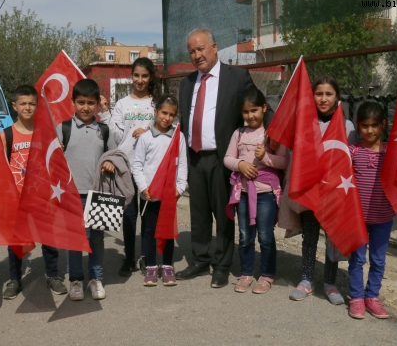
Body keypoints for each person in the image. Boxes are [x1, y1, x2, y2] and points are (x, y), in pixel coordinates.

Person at [176, 28, 274, 288]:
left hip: (223, 157)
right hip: (194, 157)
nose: (197, 55)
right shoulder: (186, 84)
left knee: (223, 212)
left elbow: (262, 106)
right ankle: (200, 259)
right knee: (198, 213)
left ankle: (221, 264)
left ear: (214, 47)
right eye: (192, 51)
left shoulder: (237, 77)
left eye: (201, 49)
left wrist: (271, 138)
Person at [288, 75, 357, 304]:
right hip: (311, 192)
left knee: (332, 240)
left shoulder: (347, 126)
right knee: (309, 238)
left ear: (337, 97)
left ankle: (330, 283)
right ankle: (307, 280)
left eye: (329, 94)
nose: (324, 99)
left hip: (335, 194)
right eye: (319, 94)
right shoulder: (305, 123)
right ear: (312, 96)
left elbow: (349, 160)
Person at [0, 85, 66, 300]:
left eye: (31, 104)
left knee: (49, 238)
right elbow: (0, 168)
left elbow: (54, 164)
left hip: (42, 197)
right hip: (16, 199)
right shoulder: (6, 135)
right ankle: (15, 278)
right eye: (23, 103)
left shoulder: (45, 133)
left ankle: (53, 275)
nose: (27, 107)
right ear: (14, 106)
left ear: (37, 106)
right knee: (16, 242)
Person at [99, 57, 160, 277]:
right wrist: (106, 111)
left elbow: (168, 131)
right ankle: (129, 258)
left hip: (148, 168)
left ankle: (146, 257)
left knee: (147, 215)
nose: (140, 80)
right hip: (125, 166)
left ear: (150, 77)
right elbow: (115, 136)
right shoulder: (123, 104)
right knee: (128, 214)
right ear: (131, 76)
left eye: (144, 76)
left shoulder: (157, 104)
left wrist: (149, 133)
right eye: (136, 75)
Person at [223, 87, 288, 294]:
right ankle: (246, 273)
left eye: (254, 111)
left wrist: (265, 157)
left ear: (264, 108)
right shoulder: (239, 133)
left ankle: (267, 274)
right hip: (242, 193)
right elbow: (227, 158)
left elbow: (284, 161)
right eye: (246, 112)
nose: (250, 116)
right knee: (244, 236)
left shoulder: (272, 134)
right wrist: (240, 165)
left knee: (266, 236)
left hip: (266, 194)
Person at [57, 79, 116, 301]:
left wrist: (110, 163)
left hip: (99, 194)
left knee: (97, 239)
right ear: (73, 102)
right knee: (75, 240)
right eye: (80, 102)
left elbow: (115, 155)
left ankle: (95, 278)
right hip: (71, 195)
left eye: (91, 103)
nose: (85, 107)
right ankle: (75, 280)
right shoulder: (63, 128)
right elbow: (51, 161)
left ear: (97, 105)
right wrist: (57, 153)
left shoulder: (104, 129)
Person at [131, 95, 188, 286]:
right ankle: (151, 267)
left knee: (167, 231)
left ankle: (167, 266)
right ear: (155, 112)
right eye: (164, 113)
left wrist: (180, 188)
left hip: (169, 195)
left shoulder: (178, 137)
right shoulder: (145, 137)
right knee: (149, 230)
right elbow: (137, 166)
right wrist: (143, 187)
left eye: (172, 114)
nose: (167, 118)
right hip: (150, 195)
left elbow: (182, 165)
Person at [347, 102, 396, 319]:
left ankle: (372, 296)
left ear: (383, 125)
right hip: (357, 219)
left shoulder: (393, 153)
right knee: (357, 260)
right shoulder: (352, 152)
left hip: (383, 218)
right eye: (365, 125)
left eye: (375, 125)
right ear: (358, 126)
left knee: (378, 260)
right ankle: (357, 298)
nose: (370, 130)